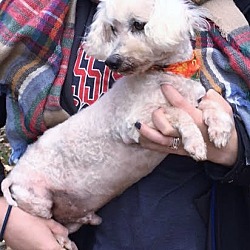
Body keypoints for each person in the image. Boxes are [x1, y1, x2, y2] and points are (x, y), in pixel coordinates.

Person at [0, 0, 249, 250]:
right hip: (62, 230)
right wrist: (6, 219)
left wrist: (234, 150)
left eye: (138, 27)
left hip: (193, 235)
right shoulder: (32, 11)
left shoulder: (235, 14)